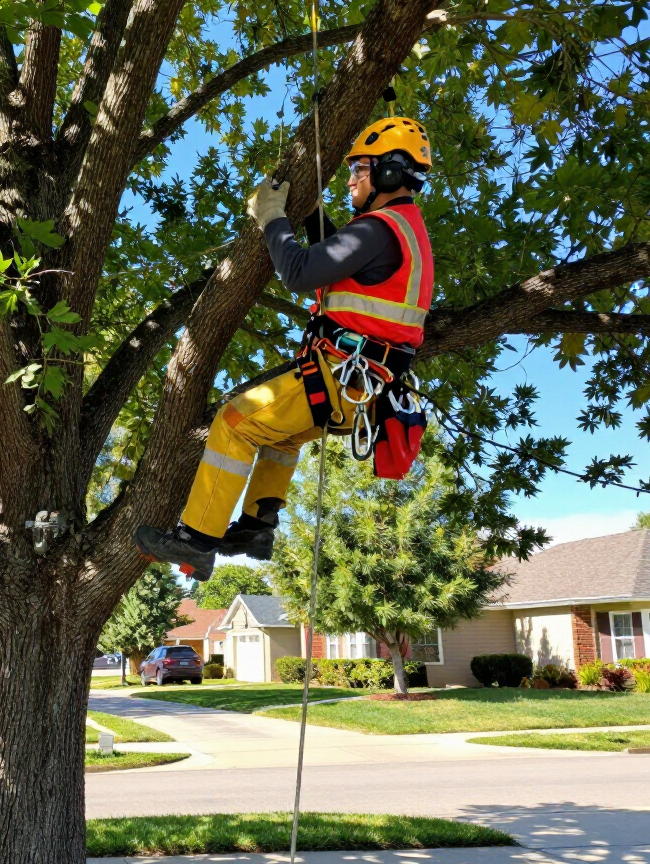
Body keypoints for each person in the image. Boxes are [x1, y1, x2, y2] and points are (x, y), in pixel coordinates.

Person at [137, 117, 435, 579]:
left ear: (390, 174)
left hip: (343, 375)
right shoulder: (403, 231)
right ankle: (257, 524)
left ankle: (196, 540)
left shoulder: (378, 228)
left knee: (235, 421)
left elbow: (299, 272)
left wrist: (273, 217)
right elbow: (334, 260)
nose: (352, 179)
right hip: (362, 389)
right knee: (282, 434)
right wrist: (310, 211)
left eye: (360, 168)